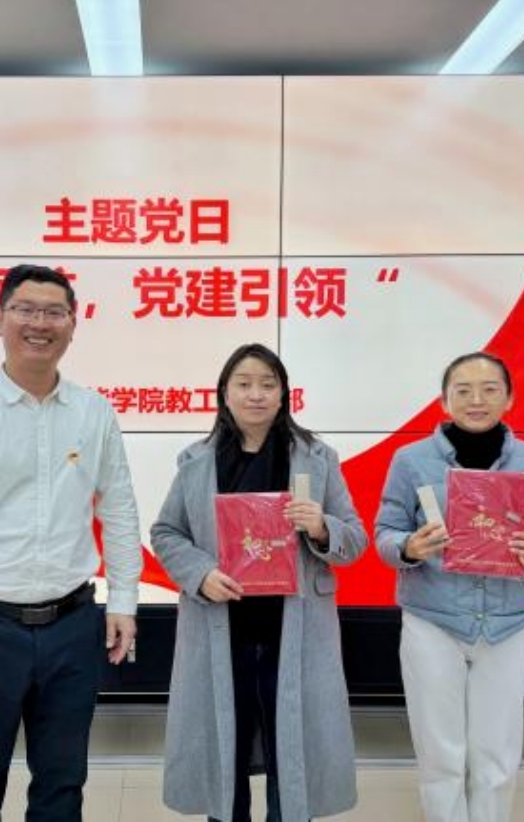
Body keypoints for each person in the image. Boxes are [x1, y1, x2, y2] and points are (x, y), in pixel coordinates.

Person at [0, 264, 142, 822]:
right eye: (26, 310)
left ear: (73, 324)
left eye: (54, 312)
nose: (40, 324)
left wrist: (124, 601)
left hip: (72, 627)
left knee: (63, 784)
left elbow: (119, 510)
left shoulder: (94, 412)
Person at [151, 342, 366, 822]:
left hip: (294, 632)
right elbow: (166, 532)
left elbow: (355, 539)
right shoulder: (197, 462)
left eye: (268, 384)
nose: (256, 395)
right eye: (244, 384)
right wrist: (199, 573)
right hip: (220, 627)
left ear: (284, 394)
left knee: (292, 756)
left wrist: (322, 527)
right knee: (223, 751)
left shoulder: (317, 459)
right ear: (224, 393)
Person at [374, 351, 524, 822]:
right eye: (462, 391)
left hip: (506, 623)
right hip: (432, 620)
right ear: (444, 401)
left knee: (497, 751)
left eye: (489, 389)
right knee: (440, 750)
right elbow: (385, 533)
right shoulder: (411, 460)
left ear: (509, 398)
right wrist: (409, 547)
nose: (476, 400)